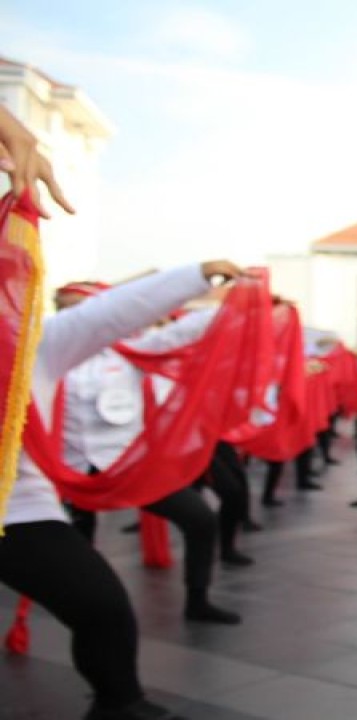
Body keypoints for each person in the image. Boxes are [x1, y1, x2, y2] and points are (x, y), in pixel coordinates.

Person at [3, 256, 239, 720]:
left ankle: (122, 697)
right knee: (82, 568)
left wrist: (203, 278)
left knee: (104, 601)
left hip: (57, 491)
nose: (67, 311)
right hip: (66, 474)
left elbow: (131, 315)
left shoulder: (53, 347)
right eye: (62, 304)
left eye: (75, 306)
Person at [53, 285, 243, 624]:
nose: (74, 318)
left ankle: (197, 600)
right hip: (69, 470)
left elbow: (183, 330)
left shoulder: (129, 351)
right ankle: (81, 605)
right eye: (65, 309)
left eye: (82, 309)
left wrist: (240, 298)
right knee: (77, 545)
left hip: (127, 466)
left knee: (200, 519)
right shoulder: (45, 357)